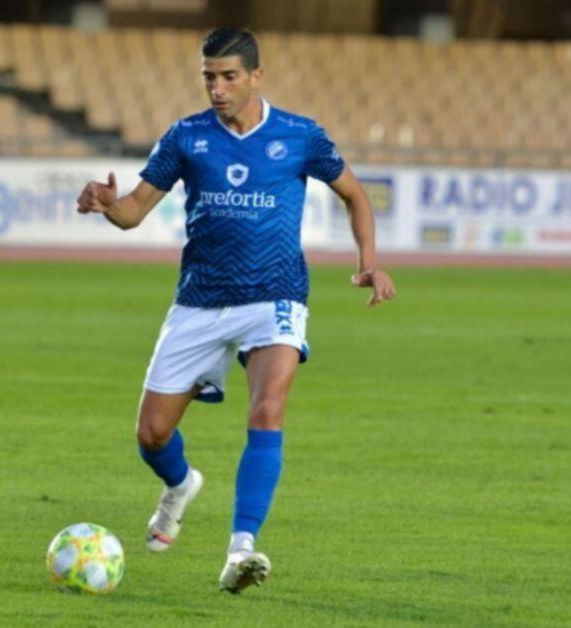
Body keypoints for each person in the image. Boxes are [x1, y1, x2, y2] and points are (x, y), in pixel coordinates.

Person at [76, 28, 396, 594]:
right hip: (200, 300)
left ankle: (241, 549)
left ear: (255, 77)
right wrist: (105, 204)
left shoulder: (300, 135)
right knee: (151, 435)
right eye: (208, 77)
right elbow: (133, 212)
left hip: (275, 296)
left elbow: (355, 194)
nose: (217, 89)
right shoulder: (186, 137)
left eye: (228, 77)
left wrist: (369, 260)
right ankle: (179, 485)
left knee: (268, 408)